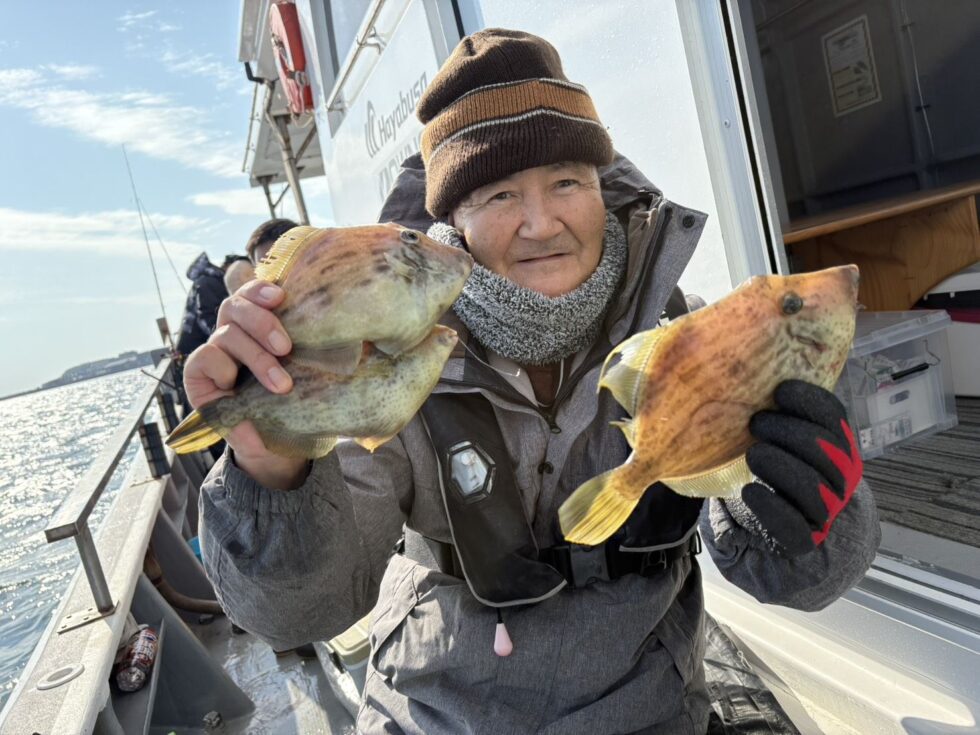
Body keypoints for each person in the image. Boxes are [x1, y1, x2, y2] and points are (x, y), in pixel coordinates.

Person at [186, 29, 880, 733]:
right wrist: (270, 468)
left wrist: (814, 511)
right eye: (497, 193)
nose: (540, 222)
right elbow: (302, 610)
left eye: (567, 182)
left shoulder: (687, 337)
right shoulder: (385, 361)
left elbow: (796, 577)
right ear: (452, 217)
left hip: (646, 707)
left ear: (602, 191)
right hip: (438, 713)